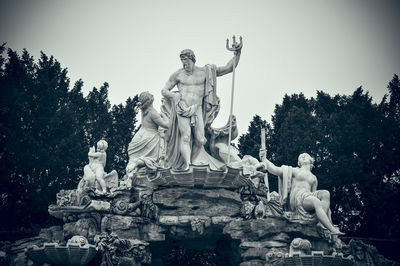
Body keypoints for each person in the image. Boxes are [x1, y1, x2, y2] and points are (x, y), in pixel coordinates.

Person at [161, 46, 242, 170]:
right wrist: (174, 96)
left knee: (200, 139)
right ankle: (188, 165)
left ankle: (196, 159)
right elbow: (164, 90)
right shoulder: (178, 74)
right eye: (182, 60)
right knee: (186, 136)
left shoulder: (205, 72)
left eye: (186, 60)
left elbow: (228, 68)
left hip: (197, 108)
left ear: (192, 59)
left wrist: (237, 53)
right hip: (182, 108)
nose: (184, 63)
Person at [259, 150, 344, 235]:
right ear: (299, 162)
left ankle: (321, 223)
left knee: (325, 193)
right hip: (298, 197)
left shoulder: (314, 178)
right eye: (301, 157)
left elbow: (313, 193)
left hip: (308, 196)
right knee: (316, 201)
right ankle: (331, 228)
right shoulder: (294, 171)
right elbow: (275, 170)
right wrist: (264, 159)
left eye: (305, 156)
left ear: (311, 160)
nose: (303, 156)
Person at [126, 91, 169, 176]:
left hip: (139, 136)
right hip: (149, 137)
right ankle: (136, 164)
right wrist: (165, 116)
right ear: (150, 99)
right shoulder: (152, 112)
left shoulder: (143, 110)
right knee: (150, 159)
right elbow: (166, 125)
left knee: (133, 158)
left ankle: (130, 175)